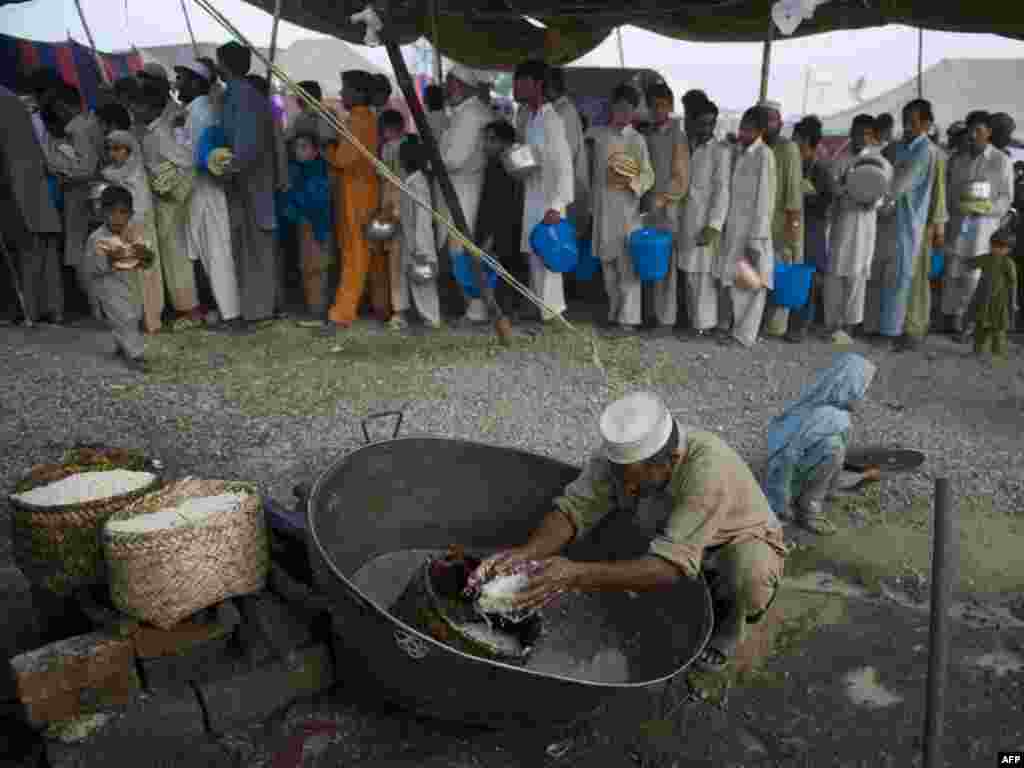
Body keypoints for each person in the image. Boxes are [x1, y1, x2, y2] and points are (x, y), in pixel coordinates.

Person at [466, 390, 787, 673]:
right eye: (623, 478)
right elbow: (572, 509)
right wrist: (526, 553)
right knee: (623, 523)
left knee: (748, 575)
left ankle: (727, 632)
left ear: (671, 460)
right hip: (675, 532)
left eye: (637, 480)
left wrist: (573, 574)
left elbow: (669, 567)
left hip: (733, 540)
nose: (628, 487)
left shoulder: (707, 469)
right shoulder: (620, 459)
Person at [762, 353, 877, 536]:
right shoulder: (831, 418)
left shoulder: (818, 396)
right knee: (833, 450)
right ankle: (808, 509)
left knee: (834, 449)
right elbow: (788, 456)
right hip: (784, 476)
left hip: (782, 466)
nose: (862, 394)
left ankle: (815, 493)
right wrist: (780, 500)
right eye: (862, 388)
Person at [580, 83, 655, 335]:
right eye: (618, 108)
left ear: (634, 111)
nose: (623, 113)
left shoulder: (637, 140)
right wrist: (590, 205)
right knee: (608, 265)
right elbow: (589, 170)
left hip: (627, 212)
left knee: (627, 268)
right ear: (611, 107)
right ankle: (613, 314)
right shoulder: (599, 135)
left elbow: (648, 176)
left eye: (628, 109)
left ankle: (629, 319)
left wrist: (630, 183)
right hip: (603, 210)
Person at [175, 58, 243, 332]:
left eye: (181, 79)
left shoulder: (203, 114)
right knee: (207, 252)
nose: (177, 84)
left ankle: (231, 315)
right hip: (198, 192)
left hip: (208, 192)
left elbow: (201, 156)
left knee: (217, 253)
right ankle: (221, 310)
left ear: (195, 83)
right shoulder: (195, 112)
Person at [217, 41, 280, 325]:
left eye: (219, 63)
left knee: (256, 247)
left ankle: (260, 310)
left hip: (251, 184)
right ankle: (257, 307)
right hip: (248, 183)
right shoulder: (240, 94)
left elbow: (246, 147)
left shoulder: (243, 96)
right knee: (250, 247)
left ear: (226, 65)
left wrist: (225, 167)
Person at [868, 99, 937, 348]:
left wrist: (874, 192)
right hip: (890, 220)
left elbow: (899, 185)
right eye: (905, 121)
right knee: (883, 272)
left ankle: (890, 332)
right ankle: (877, 326)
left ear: (927, 124)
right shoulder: (901, 147)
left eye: (914, 122)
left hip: (908, 222)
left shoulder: (924, 150)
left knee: (899, 276)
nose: (908, 126)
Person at [135, 79, 202, 328]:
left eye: (137, 105)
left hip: (170, 200)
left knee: (177, 256)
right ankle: (182, 306)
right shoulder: (153, 131)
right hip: (162, 198)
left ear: (151, 106)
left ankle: (189, 308)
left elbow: (185, 160)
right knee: (171, 256)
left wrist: (172, 188)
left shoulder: (162, 133)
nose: (134, 111)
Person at [941, 110, 1014, 338]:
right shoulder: (959, 160)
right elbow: (950, 193)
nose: (973, 135)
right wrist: (956, 208)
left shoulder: (1000, 161)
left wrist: (986, 210)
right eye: (970, 131)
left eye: (978, 131)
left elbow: (1006, 197)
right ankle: (952, 320)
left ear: (989, 133)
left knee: (975, 277)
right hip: (958, 223)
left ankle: (969, 323)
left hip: (983, 228)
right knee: (953, 272)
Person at [514, 59, 575, 324]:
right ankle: (540, 309)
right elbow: (531, 160)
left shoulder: (552, 120)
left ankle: (554, 314)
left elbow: (564, 165)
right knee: (534, 254)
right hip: (533, 193)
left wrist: (557, 205)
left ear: (538, 85)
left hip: (550, 199)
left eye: (522, 82)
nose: (517, 87)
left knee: (549, 257)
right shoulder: (531, 119)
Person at [322, 69, 382, 332]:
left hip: (357, 193)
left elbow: (344, 159)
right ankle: (374, 305)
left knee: (355, 254)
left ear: (358, 93)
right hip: (359, 190)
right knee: (362, 252)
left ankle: (342, 314)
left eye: (345, 89)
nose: (341, 94)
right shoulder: (363, 118)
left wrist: (326, 149)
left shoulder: (359, 121)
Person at [0, 83, 64, 325]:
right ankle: (53, 310)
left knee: (26, 250)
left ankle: (29, 312)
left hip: (15, 189)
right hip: (35, 185)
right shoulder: (13, 99)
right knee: (43, 249)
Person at [826, 114, 890, 345]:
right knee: (834, 275)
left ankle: (850, 327)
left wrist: (871, 200)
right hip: (842, 225)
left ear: (872, 136)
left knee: (857, 277)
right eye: (856, 132)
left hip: (864, 227)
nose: (860, 138)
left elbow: (883, 196)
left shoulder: (879, 163)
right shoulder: (840, 161)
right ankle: (832, 325)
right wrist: (846, 191)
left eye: (866, 134)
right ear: (850, 132)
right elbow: (833, 189)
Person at [41, 82, 104, 314]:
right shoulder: (92, 122)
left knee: (80, 253)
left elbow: (86, 169)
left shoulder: (76, 129)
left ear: (62, 106)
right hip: (94, 196)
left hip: (79, 195)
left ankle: (96, 308)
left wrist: (63, 176)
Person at [716, 106, 776, 348]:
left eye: (749, 128)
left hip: (753, 231)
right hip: (735, 228)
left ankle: (744, 335)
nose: (742, 131)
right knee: (735, 281)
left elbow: (765, 198)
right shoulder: (741, 152)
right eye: (742, 126)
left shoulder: (764, 155)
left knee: (751, 285)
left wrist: (757, 236)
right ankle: (734, 330)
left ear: (761, 130)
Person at [438, 64, 493, 324]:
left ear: (459, 85)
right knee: (461, 248)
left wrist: (432, 160)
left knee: (463, 249)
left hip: (465, 190)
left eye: (449, 85)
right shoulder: (467, 112)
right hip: (462, 189)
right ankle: (472, 305)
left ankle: (476, 308)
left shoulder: (471, 115)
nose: (446, 90)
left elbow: (454, 159)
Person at [83, 185, 152, 372]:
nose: (117, 218)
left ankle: (122, 344)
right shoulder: (97, 238)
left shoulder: (133, 232)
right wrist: (113, 258)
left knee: (133, 314)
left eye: (123, 213)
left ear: (131, 214)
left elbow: (146, 257)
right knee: (125, 317)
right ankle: (136, 354)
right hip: (107, 287)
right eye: (112, 212)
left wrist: (143, 256)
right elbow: (94, 268)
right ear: (102, 213)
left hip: (129, 284)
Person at [100, 129, 163, 334]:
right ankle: (138, 320)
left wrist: (103, 174)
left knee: (147, 272)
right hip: (130, 224)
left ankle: (152, 321)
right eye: (110, 149)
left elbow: (115, 175)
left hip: (141, 223)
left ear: (129, 150)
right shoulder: (123, 168)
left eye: (117, 149)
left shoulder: (134, 166)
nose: (113, 153)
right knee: (131, 273)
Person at [678, 97, 730, 338]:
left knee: (703, 278)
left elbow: (722, 191)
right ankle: (694, 323)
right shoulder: (690, 147)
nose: (706, 128)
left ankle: (704, 326)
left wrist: (713, 225)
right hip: (686, 219)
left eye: (711, 123)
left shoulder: (720, 151)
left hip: (705, 222)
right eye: (702, 123)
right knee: (689, 274)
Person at [642, 82, 690, 336]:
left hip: (668, 211)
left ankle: (666, 321)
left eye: (662, 106)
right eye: (653, 106)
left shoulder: (677, 135)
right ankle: (650, 315)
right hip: (649, 210)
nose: (658, 110)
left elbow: (681, 179)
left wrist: (661, 199)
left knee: (667, 269)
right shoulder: (648, 134)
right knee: (649, 263)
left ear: (670, 107)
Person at [759, 99, 804, 340]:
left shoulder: (788, 150)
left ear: (780, 122)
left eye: (771, 119)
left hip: (783, 227)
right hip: (760, 227)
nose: (767, 124)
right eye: (762, 118)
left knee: (784, 277)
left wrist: (792, 236)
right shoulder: (755, 148)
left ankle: (779, 330)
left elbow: (793, 199)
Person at [475, 120, 526, 317]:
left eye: (491, 140)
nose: (486, 145)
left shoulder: (503, 167)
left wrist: (490, 237)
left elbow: (499, 206)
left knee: (505, 272)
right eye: (485, 139)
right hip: (503, 231)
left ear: (505, 143)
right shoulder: (496, 164)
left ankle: (504, 312)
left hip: (502, 231)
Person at [280, 132, 333, 319]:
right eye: (297, 147)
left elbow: (315, 199)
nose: (299, 151)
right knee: (307, 267)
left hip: (317, 225)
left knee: (317, 267)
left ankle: (318, 310)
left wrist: (292, 197)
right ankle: (314, 307)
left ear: (316, 150)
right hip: (304, 225)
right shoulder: (297, 170)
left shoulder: (319, 170)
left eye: (304, 147)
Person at [790, 115, 833, 342]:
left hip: (813, 229)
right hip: (796, 226)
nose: (793, 143)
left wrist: (811, 197)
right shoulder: (795, 164)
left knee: (810, 277)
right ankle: (792, 322)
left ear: (806, 141)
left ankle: (802, 325)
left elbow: (829, 200)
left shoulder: (821, 168)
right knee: (794, 273)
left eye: (796, 139)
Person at [395, 136, 442, 331]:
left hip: (418, 240)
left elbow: (422, 216)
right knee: (416, 279)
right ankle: (426, 317)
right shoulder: (415, 180)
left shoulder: (417, 183)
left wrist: (418, 245)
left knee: (423, 280)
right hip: (412, 238)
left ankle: (432, 318)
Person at [964, 225, 1019, 358]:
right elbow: (971, 263)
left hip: (999, 302)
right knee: (980, 327)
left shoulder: (1008, 263)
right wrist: (960, 258)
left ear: (1008, 249)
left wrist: (1013, 302)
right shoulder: (986, 258)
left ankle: (997, 354)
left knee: (998, 330)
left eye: (1001, 247)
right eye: (994, 245)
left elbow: (1013, 284)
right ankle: (977, 351)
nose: (996, 249)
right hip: (983, 299)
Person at [378, 109, 407, 328]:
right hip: (389, 206)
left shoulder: (404, 147)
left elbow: (398, 177)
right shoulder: (386, 147)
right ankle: (399, 309)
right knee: (393, 261)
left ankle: (403, 310)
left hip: (402, 208)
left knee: (403, 260)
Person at [286, 80, 335, 149]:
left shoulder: (324, 114)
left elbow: (326, 140)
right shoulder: (300, 116)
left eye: (298, 95)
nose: (296, 99)